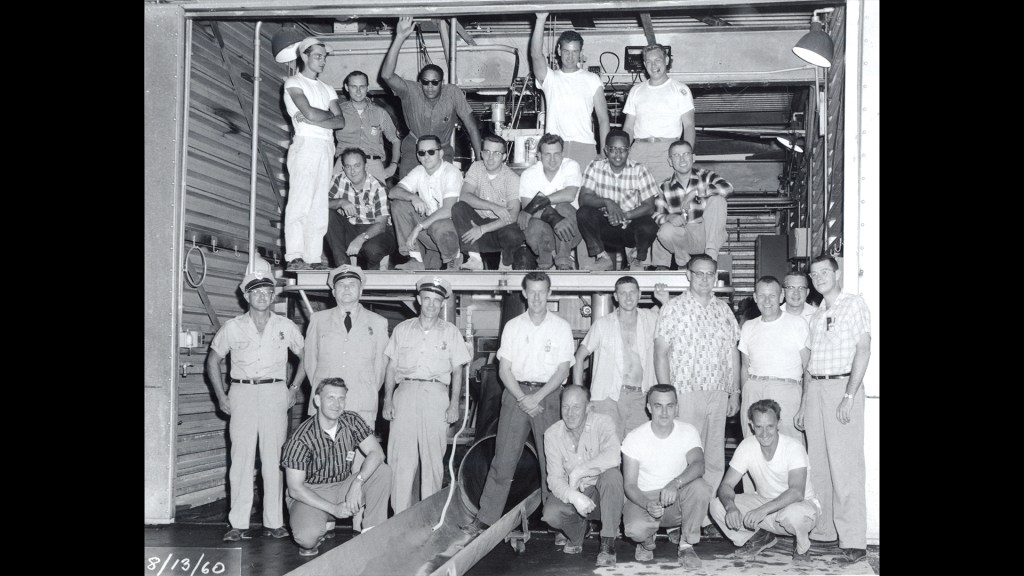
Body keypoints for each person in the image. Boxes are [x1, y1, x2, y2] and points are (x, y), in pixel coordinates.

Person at [461, 272, 575, 536]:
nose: (536, 297)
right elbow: (504, 370)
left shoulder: (561, 327)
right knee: (504, 459)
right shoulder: (513, 326)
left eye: (541, 291)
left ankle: (557, 521)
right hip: (515, 394)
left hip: (548, 395)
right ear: (524, 293)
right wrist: (523, 398)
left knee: (553, 462)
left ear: (549, 293)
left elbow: (562, 370)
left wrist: (537, 397)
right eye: (531, 291)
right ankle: (485, 519)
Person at [207, 271, 306, 542]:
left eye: (267, 292)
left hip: (276, 391)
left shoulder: (285, 325)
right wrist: (221, 396)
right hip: (242, 392)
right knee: (241, 458)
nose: (262, 296)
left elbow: (306, 354)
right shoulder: (233, 327)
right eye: (256, 292)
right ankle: (238, 522)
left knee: (274, 458)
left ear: (273, 296)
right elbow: (213, 360)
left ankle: (274, 522)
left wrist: (294, 388)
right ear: (246, 296)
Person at [795, 255, 871, 563]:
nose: (819, 277)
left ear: (837, 273)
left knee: (846, 468)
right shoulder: (816, 315)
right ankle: (824, 532)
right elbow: (809, 366)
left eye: (825, 271)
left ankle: (853, 541)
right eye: (814, 274)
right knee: (820, 467)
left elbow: (864, 349)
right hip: (815, 391)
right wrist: (804, 404)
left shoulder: (854, 304)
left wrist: (849, 395)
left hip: (842, 388)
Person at [302, 264, 390, 532]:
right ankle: (328, 515)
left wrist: (366, 392)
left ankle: (360, 522)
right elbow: (310, 362)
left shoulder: (378, 323)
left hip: (362, 403)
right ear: (333, 290)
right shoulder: (318, 320)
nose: (347, 289)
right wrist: (322, 394)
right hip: (327, 406)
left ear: (361, 289)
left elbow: (380, 367)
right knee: (326, 458)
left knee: (364, 462)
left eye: (352, 285)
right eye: (341, 285)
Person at [654, 254, 740, 504]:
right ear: (688, 275)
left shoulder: (723, 310)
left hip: (718, 392)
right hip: (685, 392)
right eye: (698, 273)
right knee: (686, 455)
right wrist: (667, 395)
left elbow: (733, 352)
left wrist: (734, 392)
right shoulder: (673, 308)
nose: (704, 278)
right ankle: (679, 513)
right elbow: (661, 353)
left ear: (715, 276)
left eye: (709, 274)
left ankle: (707, 516)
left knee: (713, 457)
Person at [382, 276, 471, 513]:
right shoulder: (402, 329)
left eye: (437, 300)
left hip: (436, 395)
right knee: (400, 459)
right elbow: (390, 367)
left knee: (432, 462)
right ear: (418, 299)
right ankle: (399, 516)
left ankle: (430, 517)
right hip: (405, 394)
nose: (431, 305)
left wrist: (455, 404)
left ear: (442, 304)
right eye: (427, 299)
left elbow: (458, 371)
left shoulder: (451, 332)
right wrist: (387, 399)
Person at [281, 378, 392, 556]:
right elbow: (295, 489)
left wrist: (358, 482)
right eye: (330, 398)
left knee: (382, 471)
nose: (336, 404)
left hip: (342, 487)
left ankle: (373, 533)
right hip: (310, 493)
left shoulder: (351, 420)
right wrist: (333, 509)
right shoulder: (300, 438)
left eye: (341, 398)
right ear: (317, 401)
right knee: (307, 539)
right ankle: (316, 523)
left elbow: (377, 453)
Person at [710, 400, 820, 564]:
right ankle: (757, 538)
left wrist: (762, 510)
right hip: (766, 507)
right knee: (717, 505)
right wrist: (731, 507)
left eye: (769, 426)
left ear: (778, 424)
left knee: (793, 514)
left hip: (800, 506)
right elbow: (726, 486)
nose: (764, 433)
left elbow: (797, 492)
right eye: (759, 426)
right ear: (752, 425)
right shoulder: (747, 446)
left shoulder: (793, 447)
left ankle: (802, 549)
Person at [621, 384, 713, 568]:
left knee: (701, 487)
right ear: (648, 408)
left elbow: (699, 464)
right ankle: (646, 540)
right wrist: (647, 504)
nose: (664, 412)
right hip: (645, 499)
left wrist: (675, 483)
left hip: (675, 497)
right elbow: (630, 485)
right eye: (658, 406)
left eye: (670, 406)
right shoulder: (634, 437)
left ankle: (686, 545)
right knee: (634, 530)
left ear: (677, 408)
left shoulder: (688, 431)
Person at [380, 16, 482, 178]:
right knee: (405, 196)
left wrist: (479, 158)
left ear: (442, 83)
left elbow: (471, 126)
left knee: (443, 195)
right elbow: (386, 75)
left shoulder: (452, 93)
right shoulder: (411, 90)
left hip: (442, 151)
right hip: (414, 151)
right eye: (425, 82)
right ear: (420, 82)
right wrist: (399, 37)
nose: (430, 86)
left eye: (435, 82)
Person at [573, 276, 668, 439]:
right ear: (615, 297)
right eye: (623, 293)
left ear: (640, 294)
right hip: (607, 398)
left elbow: (674, 321)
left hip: (642, 398)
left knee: (638, 451)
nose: (628, 297)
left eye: (632, 292)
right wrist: (580, 398)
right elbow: (578, 358)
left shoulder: (652, 319)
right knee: (608, 452)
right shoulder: (602, 324)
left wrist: (665, 301)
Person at [541, 385, 623, 567]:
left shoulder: (603, 423)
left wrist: (580, 471)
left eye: (576, 407)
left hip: (603, 498)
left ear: (588, 407)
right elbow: (554, 479)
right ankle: (579, 532)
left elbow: (613, 456)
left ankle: (608, 542)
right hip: (578, 495)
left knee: (612, 476)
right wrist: (574, 497)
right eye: (565, 407)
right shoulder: (552, 434)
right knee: (550, 514)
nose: (570, 413)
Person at [283, 37, 346, 271]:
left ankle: (312, 257)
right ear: (304, 57)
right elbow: (308, 111)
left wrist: (314, 116)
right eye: (318, 56)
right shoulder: (293, 83)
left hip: (326, 147)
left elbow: (340, 121)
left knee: (319, 204)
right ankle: (295, 256)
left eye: (325, 57)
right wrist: (316, 115)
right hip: (306, 145)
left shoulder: (327, 88)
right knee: (301, 200)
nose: (323, 61)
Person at [531, 12, 610, 168]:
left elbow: (603, 119)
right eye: (566, 51)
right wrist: (541, 20)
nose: (570, 57)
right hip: (554, 147)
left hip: (585, 146)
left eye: (574, 52)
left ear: (580, 53)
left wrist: (603, 153)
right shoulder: (550, 78)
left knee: (584, 192)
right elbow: (535, 55)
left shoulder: (592, 79)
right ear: (559, 51)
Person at [739, 276, 810, 447]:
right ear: (755, 298)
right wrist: (744, 398)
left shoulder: (797, 323)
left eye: (772, 296)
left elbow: (808, 367)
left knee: (790, 447)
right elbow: (744, 368)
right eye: (762, 296)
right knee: (752, 447)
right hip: (754, 389)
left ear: (781, 297)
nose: (767, 301)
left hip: (787, 392)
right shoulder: (749, 326)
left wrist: (804, 403)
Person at [576, 130, 660, 271]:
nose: (618, 154)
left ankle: (636, 259)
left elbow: (649, 206)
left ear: (629, 151)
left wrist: (624, 215)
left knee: (649, 224)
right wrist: (608, 202)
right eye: (613, 149)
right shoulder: (595, 167)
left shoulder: (640, 170)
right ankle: (602, 257)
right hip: (606, 227)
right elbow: (583, 198)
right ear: (606, 150)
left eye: (623, 150)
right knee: (583, 213)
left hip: (630, 228)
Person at [650, 140, 733, 270]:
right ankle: (683, 262)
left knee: (718, 200)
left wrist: (697, 192)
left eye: (686, 154)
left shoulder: (706, 176)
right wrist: (668, 218)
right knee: (665, 230)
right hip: (683, 239)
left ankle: (711, 258)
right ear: (670, 161)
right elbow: (656, 215)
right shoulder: (663, 187)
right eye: (676, 155)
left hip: (708, 235)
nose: (682, 159)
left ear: (693, 157)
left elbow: (728, 188)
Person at [622, 44, 696, 184]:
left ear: (666, 60)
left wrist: (687, 155)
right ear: (644, 64)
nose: (653, 65)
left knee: (667, 197)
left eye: (657, 60)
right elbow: (628, 128)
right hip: (638, 150)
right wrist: (623, 152)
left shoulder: (681, 89)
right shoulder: (636, 90)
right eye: (649, 62)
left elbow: (689, 125)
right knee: (634, 199)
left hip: (667, 150)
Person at [450, 134, 526, 271]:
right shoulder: (476, 167)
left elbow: (513, 215)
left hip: (498, 230)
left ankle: (506, 262)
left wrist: (481, 229)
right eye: (487, 152)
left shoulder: (512, 178)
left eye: (496, 153)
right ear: (481, 153)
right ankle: (474, 258)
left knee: (514, 233)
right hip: (475, 228)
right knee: (458, 208)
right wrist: (493, 206)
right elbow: (464, 196)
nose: (490, 158)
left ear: (504, 156)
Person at [388, 135, 464, 270]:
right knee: (399, 204)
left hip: (452, 234)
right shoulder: (419, 171)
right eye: (422, 153)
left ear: (440, 153)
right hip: (430, 231)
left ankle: (453, 258)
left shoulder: (451, 172)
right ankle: (415, 259)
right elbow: (393, 192)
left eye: (431, 152)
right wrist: (413, 197)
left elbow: (448, 209)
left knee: (439, 224)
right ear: (417, 155)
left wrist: (419, 227)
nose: (426, 156)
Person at [517, 133, 583, 270]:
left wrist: (541, 201)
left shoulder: (571, 166)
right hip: (544, 233)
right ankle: (544, 262)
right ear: (539, 156)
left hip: (571, 231)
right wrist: (554, 218)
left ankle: (564, 261)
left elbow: (569, 194)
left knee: (563, 206)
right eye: (547, 154)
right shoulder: (529, 174)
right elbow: (526, 210)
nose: (552, 159)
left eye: (557, 154)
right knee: (533, 222)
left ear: (562, 154)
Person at [324, 148, 398, 270]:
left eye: (357, 166)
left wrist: (361, 239)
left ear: (366, 166)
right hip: (352, 227)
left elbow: (381, 225)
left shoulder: (378, 188)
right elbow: (320, 203)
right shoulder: (339, 179)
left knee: (372, 250)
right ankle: (344, 268)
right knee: (327, 214)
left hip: (378, 231)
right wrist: (341, 201)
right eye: (348, 166)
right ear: (343, 168)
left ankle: (374, 282)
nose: (353, 171)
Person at [333, 70, 401, 183]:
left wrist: (393, 165)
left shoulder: (380, 112)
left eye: (362, 86)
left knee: (378, 200)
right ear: (346, 87)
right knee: (340, 200)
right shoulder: (337, 111)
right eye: (354, 86)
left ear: (367, 87)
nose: (358, 91)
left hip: (373, 165)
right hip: (344, 165)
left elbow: (395, 139)